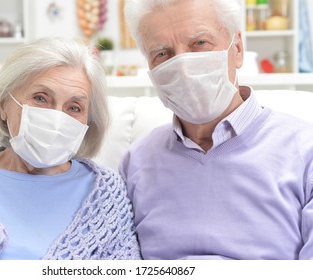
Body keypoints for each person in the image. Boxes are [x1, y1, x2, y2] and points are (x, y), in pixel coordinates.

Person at [119, 0, 313, 259]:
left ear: (238, 49)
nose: (184, 67)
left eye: (200, 43)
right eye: (162, 54)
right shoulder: (135, 162)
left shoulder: (305, 152)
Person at [0, 37, 141, 260]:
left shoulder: (104, 194)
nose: (57, 117)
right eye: (41, 98)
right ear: (3, 105)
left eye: (74, 107)